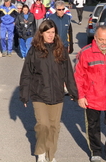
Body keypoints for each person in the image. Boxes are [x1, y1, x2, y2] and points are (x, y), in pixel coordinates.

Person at [19, 20, 78, 162]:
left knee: (54, 127)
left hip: (57, 94)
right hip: (39, 93)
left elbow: (68, 72)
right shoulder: (34, 50)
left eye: (53, 32)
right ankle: (40, 152)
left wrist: (73, 91)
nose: (51, 35)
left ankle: (51, 156)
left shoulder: (61, 49)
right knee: (43, 125)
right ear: (41, 33)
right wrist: (24, 94)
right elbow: (27, 73)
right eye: (48, 32)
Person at [74, 25, 106, 162]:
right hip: (92, 96)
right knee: (93, 125)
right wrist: (81, 96)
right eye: (101, 39)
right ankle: (95, 151)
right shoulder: (85, 53)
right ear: (95, 38)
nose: (104, 43)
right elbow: (78, 76)